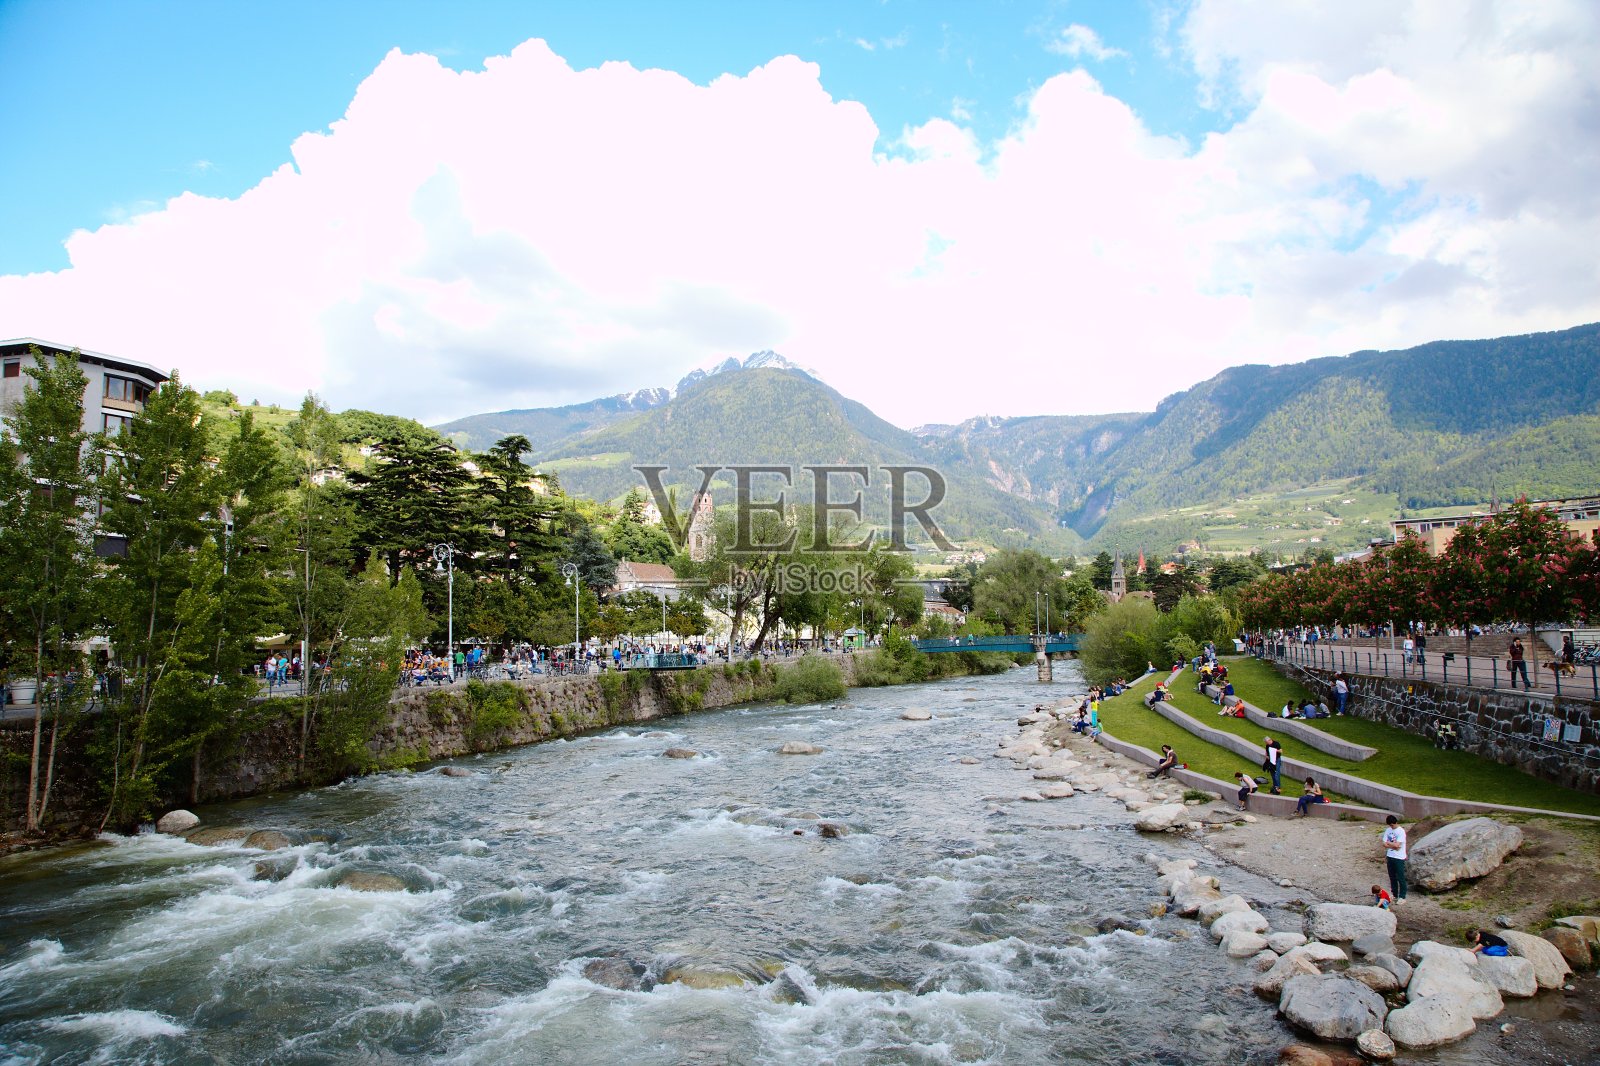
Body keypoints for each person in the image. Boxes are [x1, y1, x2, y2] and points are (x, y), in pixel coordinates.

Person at [1382, 814, 1409, 904]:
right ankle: (1394, 894)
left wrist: (1391, 844)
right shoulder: (1388, 830)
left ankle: (1402, 896)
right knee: (1392, 876)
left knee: (1400, 877)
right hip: (1390, 856)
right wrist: (1393, 845)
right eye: (1390, 825)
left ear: (1396, 822)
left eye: (1392, 825)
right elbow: (1384, 843)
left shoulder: (1401, 831)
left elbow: (1398, 845)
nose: (1391, 827)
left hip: (1399, 857)